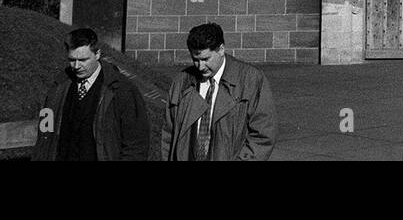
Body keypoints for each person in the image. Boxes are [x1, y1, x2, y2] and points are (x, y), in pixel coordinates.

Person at [32, 27, 150, 161]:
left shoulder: (122, 90)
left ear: (98, 54)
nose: (76, 66)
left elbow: (136, 146)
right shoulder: (58, 86)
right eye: (72, 59)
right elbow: (45, 134)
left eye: (83, 60)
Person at [162, 23, 276, 160]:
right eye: (195, 60)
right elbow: (168, 135)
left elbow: (263, 134)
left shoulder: (251, 80)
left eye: (206, 59)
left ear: (221, 50)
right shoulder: (181, 82)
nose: (200, 67)